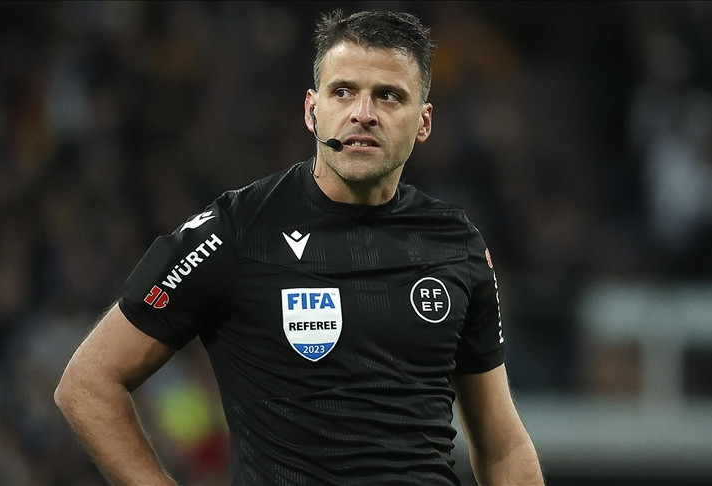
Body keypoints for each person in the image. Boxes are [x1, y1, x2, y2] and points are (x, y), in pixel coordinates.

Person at [55, 9, 544, 485]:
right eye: (343, 91)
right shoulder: (235, 231)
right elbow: (88, 384)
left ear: (423, 121)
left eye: (389, 96)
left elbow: (502, 445)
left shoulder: (456, 244)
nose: (363, 114)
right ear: (312, 110)